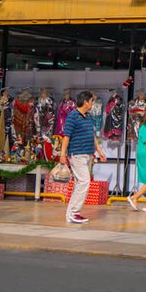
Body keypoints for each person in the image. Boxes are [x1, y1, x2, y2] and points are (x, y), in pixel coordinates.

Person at [60, 91, 105, 224]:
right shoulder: (72, 116)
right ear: (85, 102)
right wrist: (63, 155)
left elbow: (92, 136)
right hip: (77, 154)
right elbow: (66, 136)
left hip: (87, 155)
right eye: (91, 101)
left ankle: (70, 214)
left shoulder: (88, 117)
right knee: (84, 181)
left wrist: (99, 151)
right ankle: (75, 212)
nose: (92, 103)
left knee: (79, 184)